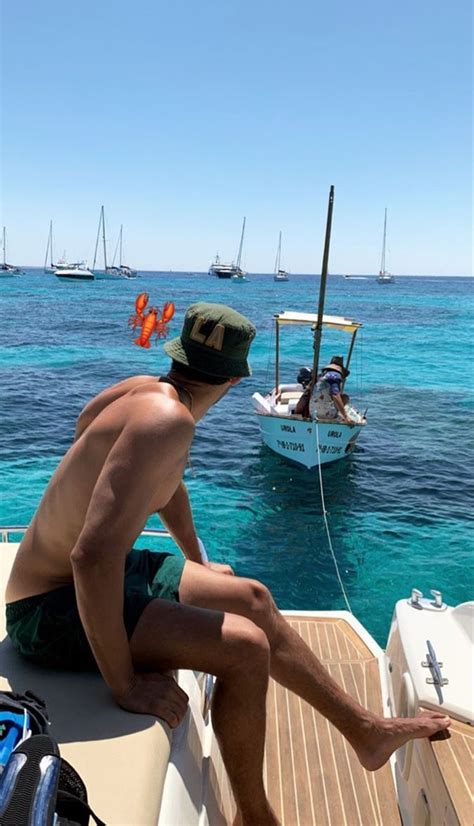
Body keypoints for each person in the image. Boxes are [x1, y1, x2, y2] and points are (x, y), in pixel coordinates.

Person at [5, 302, 449, 826]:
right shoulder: (167, 421)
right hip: (44, 612)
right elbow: (90, 556)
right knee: (245, 648)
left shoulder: (143, 393)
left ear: (180, 353)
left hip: (81, 579)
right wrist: (124, 684)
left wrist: (197, 561)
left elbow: (148, 474)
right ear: (237, 378)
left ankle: (365, 731)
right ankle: (255, 816)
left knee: (252, 597)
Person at [295, 355, 354, 423]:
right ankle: (339, 416)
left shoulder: (322, 376)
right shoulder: (335, 376)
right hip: (325, 414)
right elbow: (335, 396)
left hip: (312, 412)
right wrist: (346, 417)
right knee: (345, 397)